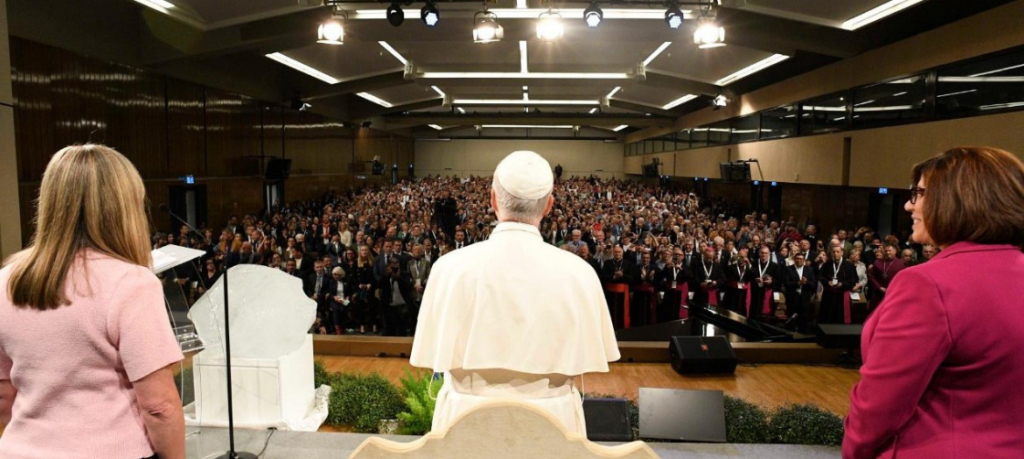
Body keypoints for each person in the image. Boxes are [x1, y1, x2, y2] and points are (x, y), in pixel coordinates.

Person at [411, 151, 619, 437]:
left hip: (465, 422)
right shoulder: (578, 272)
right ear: (549, 206)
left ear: (493, 199)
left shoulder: (448, 267)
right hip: (552, 423)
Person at [0, 145, 184, 459]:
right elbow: (159, 406)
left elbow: (4, 395)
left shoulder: (6, 280)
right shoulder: (131, 284)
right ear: (124, 208)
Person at [844, 147, 1024, 459]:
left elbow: (878, 407)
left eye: (919, 193)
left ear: (958, 199)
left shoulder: (927, 284)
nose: (908, 205)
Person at [818, 246, 858, 324]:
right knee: (827, 316)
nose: (835, 254)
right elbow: (820, 277)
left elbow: (853, 281)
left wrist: (842, 284)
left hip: (842, 295)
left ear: (842, 253)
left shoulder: (849, 265)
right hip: (829, 295)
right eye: (833, 252)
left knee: (841, 317)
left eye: (837, 252)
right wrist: (827, 282)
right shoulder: (827, 264)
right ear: (831, 253)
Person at [782, 252, 816, 333]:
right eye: (797, 259)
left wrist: (806, 282)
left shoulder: (809, 269)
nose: (799, 260)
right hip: (792, 297)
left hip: (805, 297)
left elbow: (813, 284)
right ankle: (791, 333)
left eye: (801, 259)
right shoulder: (788, 269)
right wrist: (798, 283)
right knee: (792, 315)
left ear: (804, 260)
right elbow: (786, 283)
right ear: (794, 260)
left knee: (804, 316)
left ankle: (803, 333)